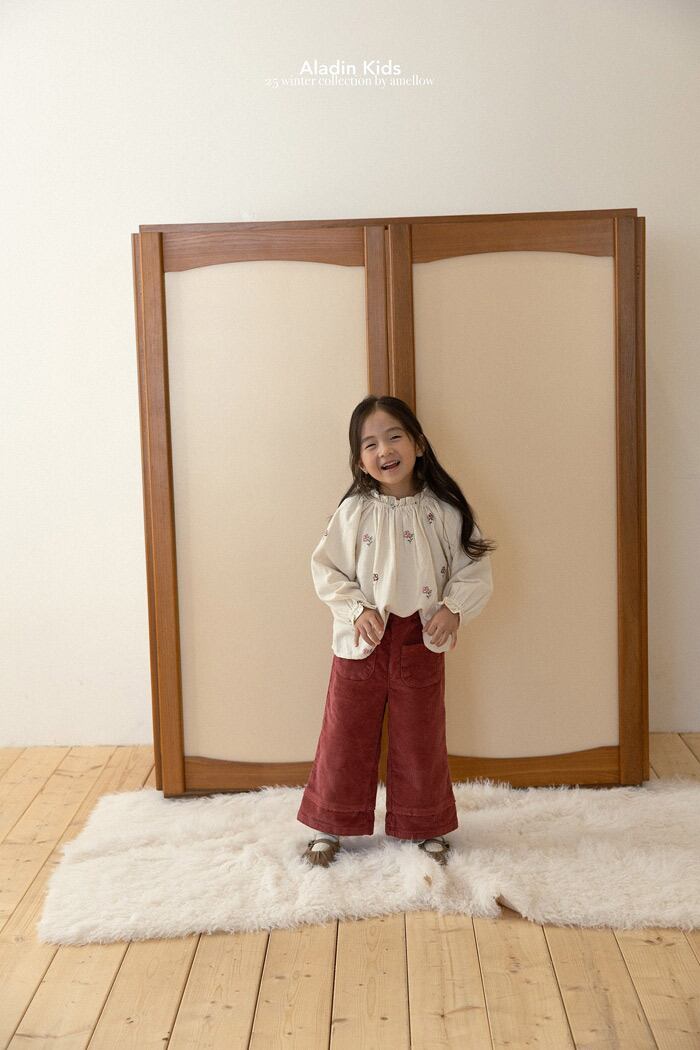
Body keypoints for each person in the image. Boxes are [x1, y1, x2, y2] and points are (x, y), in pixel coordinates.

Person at [298, 395, 496, 867]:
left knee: (420, 736)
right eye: (370, 444)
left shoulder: (444, 511)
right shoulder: (353, 512)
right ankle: (329, 824)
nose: (384, 450)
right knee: (344, 734)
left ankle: (424, 823)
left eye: (394, 437)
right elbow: (326, 568)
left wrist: (454, 609)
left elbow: (473, 568)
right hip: (362, 641)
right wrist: (355, 609)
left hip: (420, 639)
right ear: (359, 460)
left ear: (418, 444)